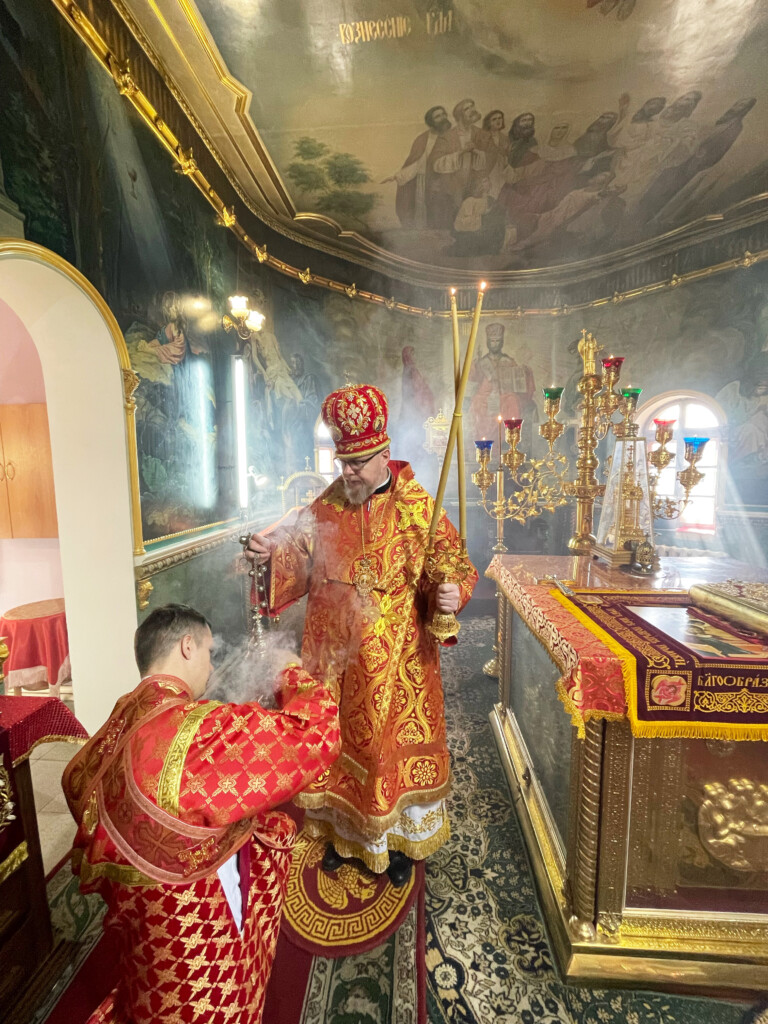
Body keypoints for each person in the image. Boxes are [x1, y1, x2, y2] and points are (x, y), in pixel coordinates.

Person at [246, 384, 477, 888]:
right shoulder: (328, 504)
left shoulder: (417, 505)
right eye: (342, 461)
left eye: (357, 462)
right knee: (336, 747)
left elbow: (454, 566)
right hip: (333, 658)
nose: (347, 472)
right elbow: (298, 556)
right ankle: (341, 836)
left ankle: (395, 843)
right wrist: (271, 555)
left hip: (396, 663)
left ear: (383, 453)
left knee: (384, 754)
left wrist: (450, 593)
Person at [62, 604, 340, 1024]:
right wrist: (290, 671)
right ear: (187, 646)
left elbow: (75, 782)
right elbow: (318, 733)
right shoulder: (196, 732)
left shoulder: (122, 716)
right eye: (209, 652)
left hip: (138, 918)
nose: (211, 667)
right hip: (195, 929)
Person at [383, 105, 452, 229]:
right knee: (422, 209)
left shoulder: (452, 137)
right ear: (431, 122)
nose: (442, 118)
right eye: (437, 116)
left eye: (443, 114)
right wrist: (397, 176)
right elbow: (416, 163)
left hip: (445, 180)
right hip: (424, 180)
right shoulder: (422, 139)